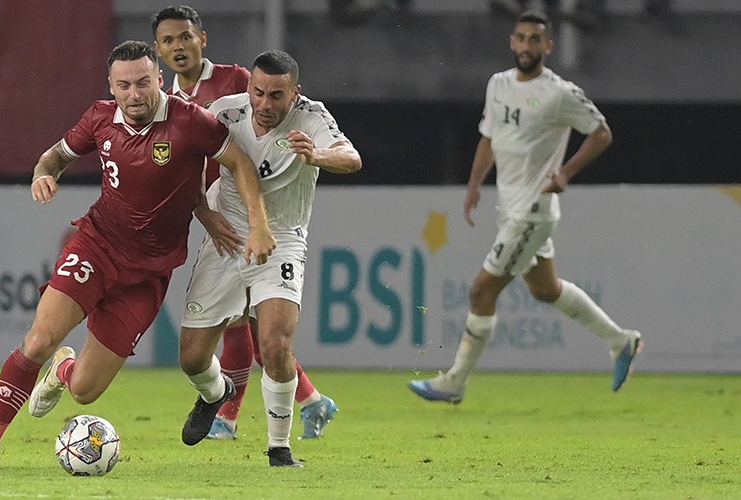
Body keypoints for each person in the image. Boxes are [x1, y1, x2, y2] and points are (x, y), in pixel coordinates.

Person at [0, 40, 275, 471]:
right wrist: (43, 175)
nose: (134, 93)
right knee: (38, 340)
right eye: (123, 85)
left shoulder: (191, 122)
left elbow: (238, 163)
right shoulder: (99, 117)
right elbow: (54, 157)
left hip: (147, 275)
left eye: (143, 82)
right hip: (97, 245)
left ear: (158, 80)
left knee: (85, 391)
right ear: (111, 86)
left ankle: (65, 370)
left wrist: (256, 224)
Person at [408, 11, 641, 404]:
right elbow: (489, 138)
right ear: (512, 42)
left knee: (482, 290)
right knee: (546, 290)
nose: (527, 46)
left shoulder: (560, 93)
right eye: (521, 38)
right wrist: (474, 184)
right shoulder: (497, 84)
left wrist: (564, 173)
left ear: (548, 46)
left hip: (533, 212)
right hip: (509, 207)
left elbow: (601, 133)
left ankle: (455, 381)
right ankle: (621, 340)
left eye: (536, 39)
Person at [151, 5, 339, 441]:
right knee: (234, 328)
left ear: (204, 39)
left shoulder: (237, 82)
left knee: (258, 328)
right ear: (159, 51)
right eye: (168, 41)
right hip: (220, 215)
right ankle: (306, 399)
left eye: (186, 37)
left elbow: (265, 135)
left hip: (269, 221)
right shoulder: (169, 98)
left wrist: (317, 155)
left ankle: (235, 417)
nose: (178, 46)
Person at [178, 49, 361, 467]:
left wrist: (317, 156)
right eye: (257, 92)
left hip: (282, 240)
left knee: (275, 344)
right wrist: (204, 213)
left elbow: (351, 158)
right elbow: (183, 159)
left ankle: (279, 448)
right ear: (248, 87)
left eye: (276, 96)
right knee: (191, 358)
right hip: (226, 239)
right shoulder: (224, 112)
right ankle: (217, 393)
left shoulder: (312, 117)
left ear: (295, 93)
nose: (264, 104)